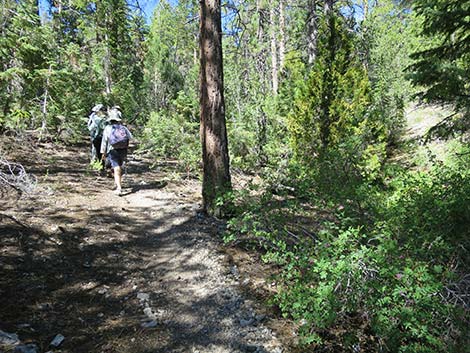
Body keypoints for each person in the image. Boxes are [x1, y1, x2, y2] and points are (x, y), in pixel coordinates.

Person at [100, 109, 132, 195]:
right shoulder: (123, 127)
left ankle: (119, 187)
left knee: (116, 167)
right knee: (119, 167)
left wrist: (103, 152)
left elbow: (104, 141)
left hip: (112, 149)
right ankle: (118, 182)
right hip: (123, 150)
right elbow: (130, 137)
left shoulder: (108, 128)